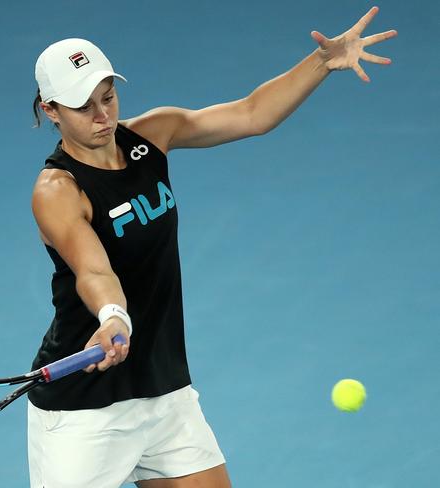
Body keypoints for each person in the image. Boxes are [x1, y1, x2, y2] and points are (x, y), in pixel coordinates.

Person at [27, 7, 396, 488]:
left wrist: (322, 62)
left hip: (162, 391)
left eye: (108, 97)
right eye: (83, 106)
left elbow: (251, 114)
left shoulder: (151, 136)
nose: (103, 116)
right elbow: (94, 271)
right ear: (51, 110)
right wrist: (113, 315)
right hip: (84, 412)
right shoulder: (57, 191)